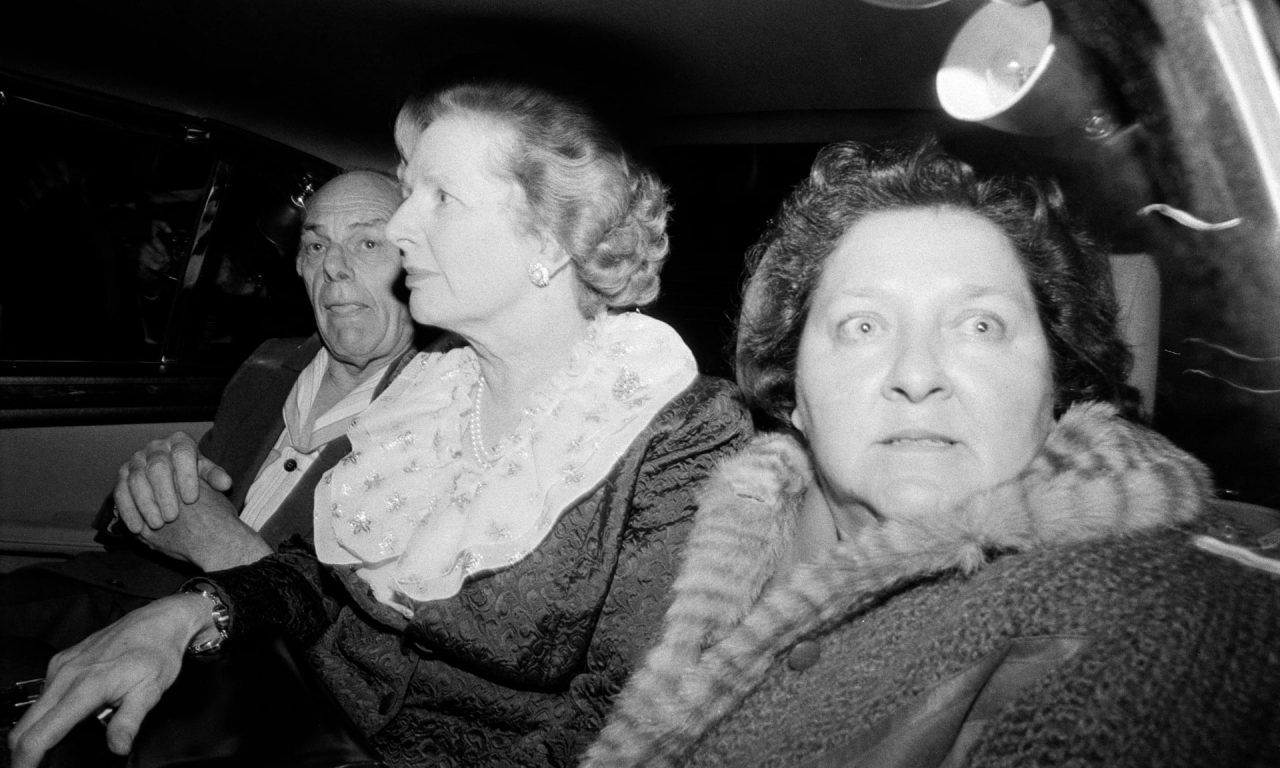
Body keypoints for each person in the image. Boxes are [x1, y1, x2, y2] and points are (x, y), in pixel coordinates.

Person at [8, 81, 753, 768]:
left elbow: (632, 720)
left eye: (439, 198)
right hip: (305, 723)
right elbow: (326, 578)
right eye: (407, 193)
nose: (401, 228)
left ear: (549, 240)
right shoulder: (431, 394)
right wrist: (186, 614)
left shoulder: (679, 433)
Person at [585, 141, 1280, 767]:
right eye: (862, 325)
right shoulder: (716, 549)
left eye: (979, 325)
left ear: (1057, 386)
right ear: (793, 387)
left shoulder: (1163, 623)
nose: (917, 374)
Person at [0, 169, 422, 652]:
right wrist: (148, 487)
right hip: (118, 595)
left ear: (419, 263)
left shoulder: (440, 417)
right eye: (316, 246)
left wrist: (221, 547)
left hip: (253, 670)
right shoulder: (268, 365)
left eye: (368, 244)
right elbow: (148, 526)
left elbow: (376, 654)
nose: (334, 267)